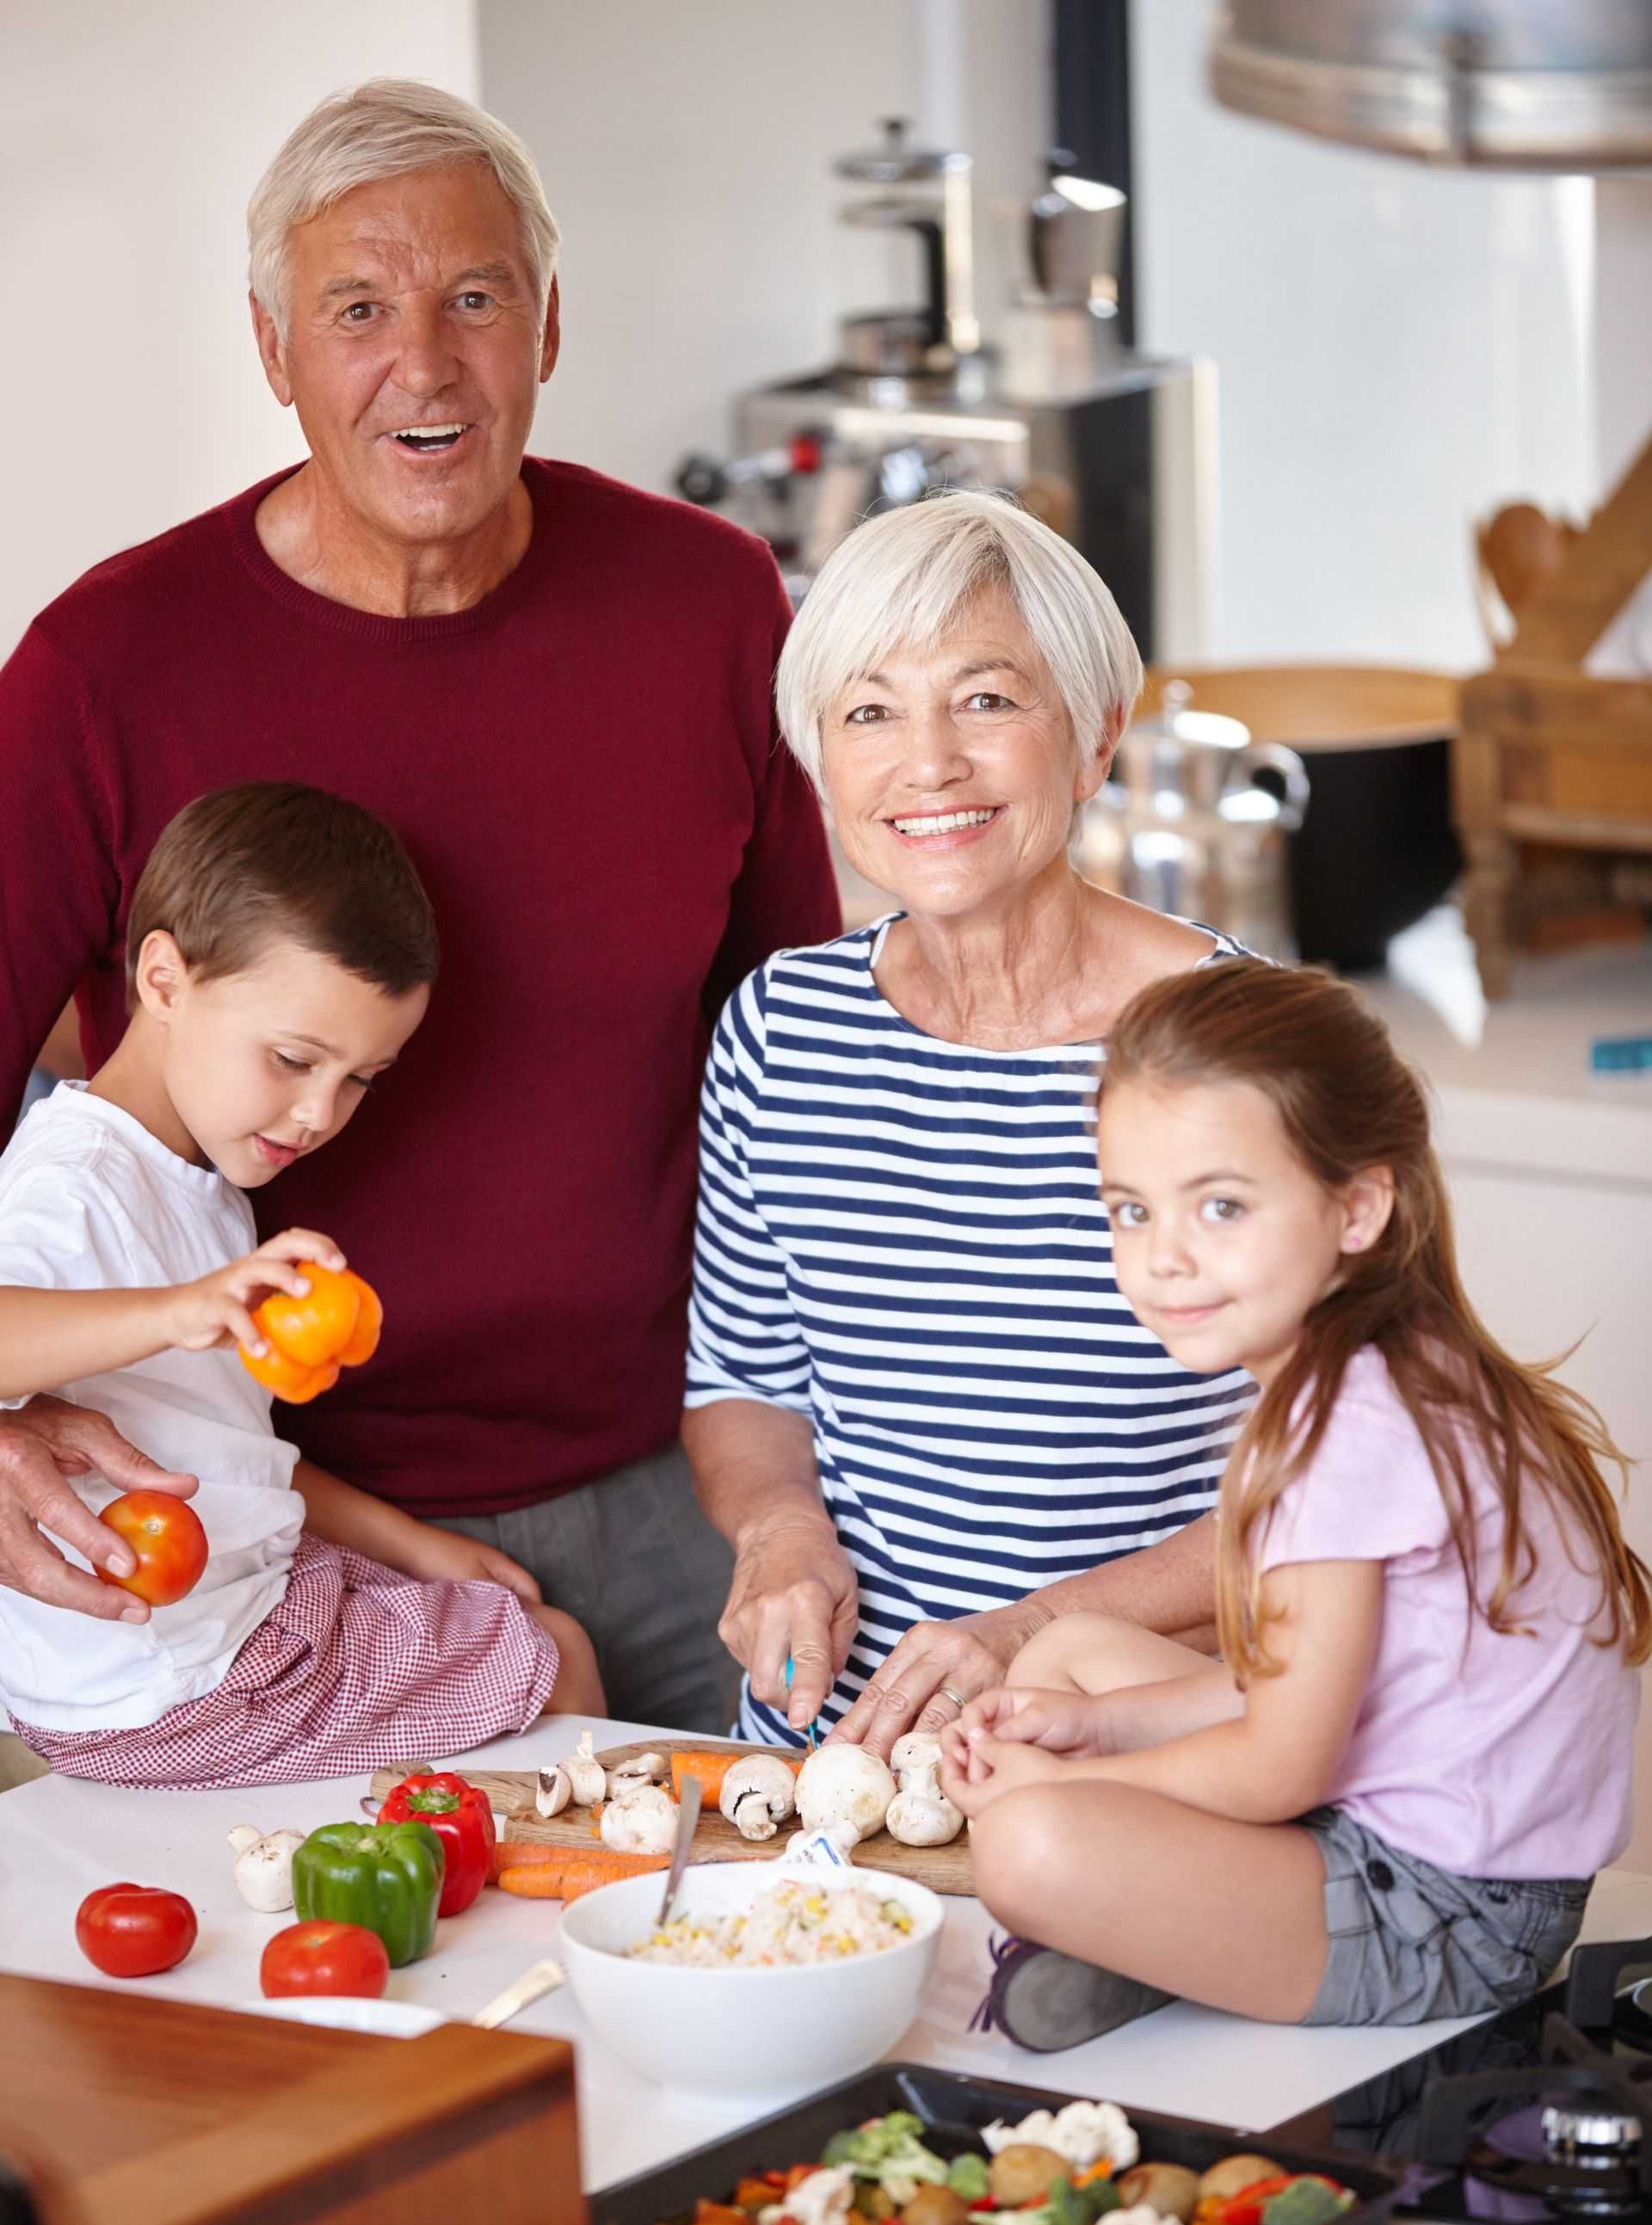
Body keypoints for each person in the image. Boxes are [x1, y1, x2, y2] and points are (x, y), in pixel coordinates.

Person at [0, 79, 838, 1731]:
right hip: (281, 1554)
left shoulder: (710, 602)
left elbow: (799, 1051)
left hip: (700, 1497)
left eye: (475, 298)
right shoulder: (104, 666)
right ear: (273, 349)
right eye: (359, 310)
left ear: (547, 325)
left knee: (801, 1943)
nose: (426, 365)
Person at [943, 959, 1647, 2047]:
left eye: (1221, 1205)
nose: (1163, 1259)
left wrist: (1090, 1781)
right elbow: (1287, 1690)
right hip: (1401, 1819)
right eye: (1131, 1209)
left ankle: (1163, 1932)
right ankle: (1178, 1935)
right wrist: (1094, 1723)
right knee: (1071, 1653)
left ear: (1357, 1205)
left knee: (1029, 1841)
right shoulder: (1383, 1365)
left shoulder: (1344, 1432)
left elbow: (1283, 1763)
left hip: (1451, 1912)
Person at [681, 490, 1254, 1759]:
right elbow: (744, 1383)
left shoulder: (1243, 1044)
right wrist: (781, 1533)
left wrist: (1027, 1629)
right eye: (870, 712)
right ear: (822, 762)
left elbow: (1338, 1492)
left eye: (987, 700)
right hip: (839, 1761)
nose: (928, 762)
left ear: (1096, 737)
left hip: (1134, 1759)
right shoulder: (786, 1031)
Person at [0, 783, 601, 1789]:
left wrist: (415, 1545)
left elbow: (228, 1452)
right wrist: (184, 1309)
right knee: (560, 1658)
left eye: (362, 1078)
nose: (320, 1113)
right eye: (292, 1059)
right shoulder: (73, 1189)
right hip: (177, 1683)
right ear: (162, 978)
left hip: (235, 1617)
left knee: (518, 1625)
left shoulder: (200, 1175)